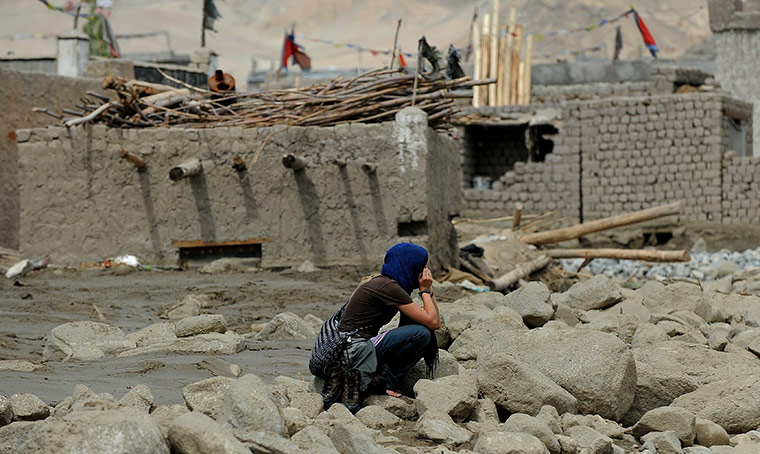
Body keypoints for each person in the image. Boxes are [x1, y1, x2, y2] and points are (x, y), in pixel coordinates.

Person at [310, 242, 441, 412]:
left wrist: (429, 291)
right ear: (409, 264)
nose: (425, 270)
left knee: (421, 330)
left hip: (355, 345)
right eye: (422, 265)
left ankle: (379, 376)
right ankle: (385, 380)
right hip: (351, 349)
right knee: (421, 334)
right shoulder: (389, 287)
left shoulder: (390, 285)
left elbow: (433, 320)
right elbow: (433, 322)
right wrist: (424, 291)